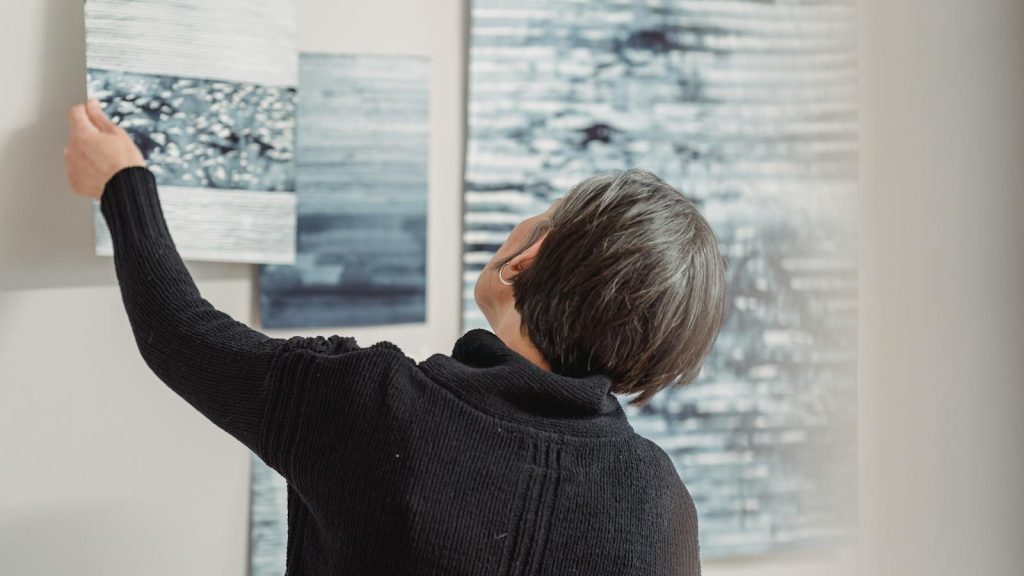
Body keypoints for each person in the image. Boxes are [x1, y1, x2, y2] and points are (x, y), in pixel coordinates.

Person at [64, 98, 727, 575]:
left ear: (527, 259)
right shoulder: (660, 502)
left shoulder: (375, 408)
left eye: (543, 215)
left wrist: (123, 184)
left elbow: (180, 332)